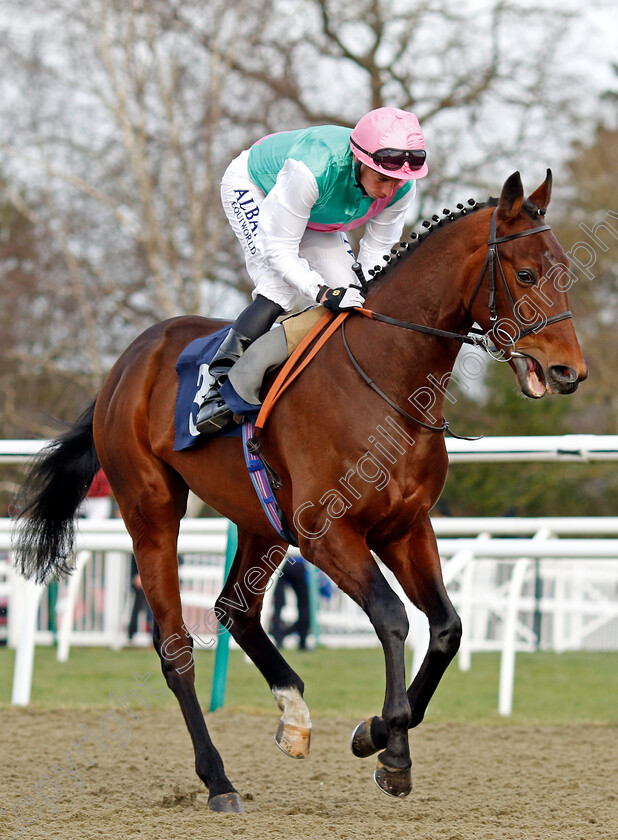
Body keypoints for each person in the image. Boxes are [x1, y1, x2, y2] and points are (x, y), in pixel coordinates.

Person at [196, 106, 428, 434]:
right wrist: (321, 292)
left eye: (398, 181)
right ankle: (217, 385)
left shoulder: (403, 188)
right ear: (360, 161)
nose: (389, 191)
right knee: (279, 290)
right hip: (257, 187)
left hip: (315, 214)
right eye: (382, 179)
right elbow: (278, 248)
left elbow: (375, 253)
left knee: (354, 297)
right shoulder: (314, 169)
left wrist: (356, 291)